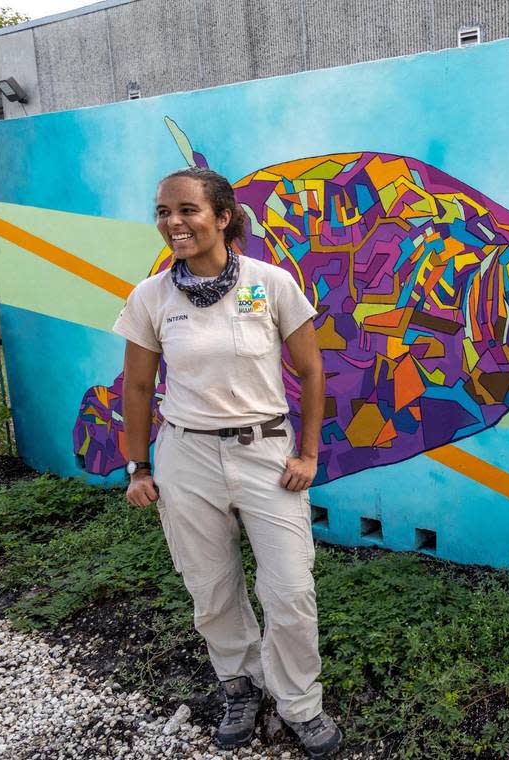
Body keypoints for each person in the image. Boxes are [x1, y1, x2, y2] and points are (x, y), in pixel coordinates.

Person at [118, 166, 342, 758]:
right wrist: (138, 467)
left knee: (290, 588)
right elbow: (137, 388)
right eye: (164, 211)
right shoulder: (151, 297)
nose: (173, 222)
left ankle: (299, 702)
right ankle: (238, 684)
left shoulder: (270, 284)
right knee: (211, 586)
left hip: (266, 453)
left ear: (222, 217)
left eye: (187, 210)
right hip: (185, 454)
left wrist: (309, 453)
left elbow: (313, 371)